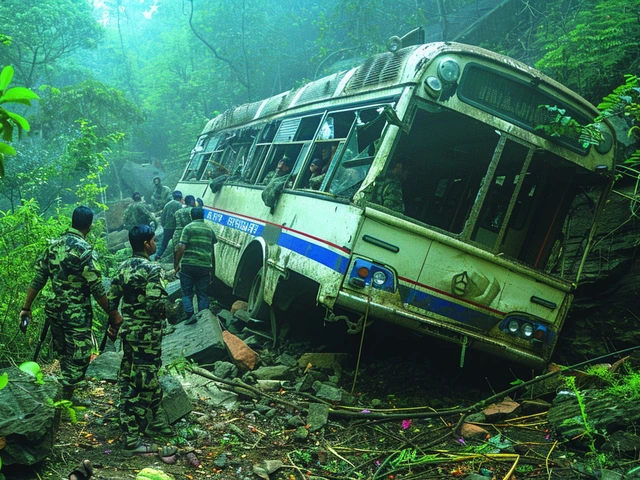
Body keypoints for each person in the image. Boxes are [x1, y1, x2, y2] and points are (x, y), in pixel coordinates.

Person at [19, 206, 122, 402]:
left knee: (65, 353)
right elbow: (97, 288)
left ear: (72, 221)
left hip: (55, 310)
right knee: (81, 356)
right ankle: (62, 398)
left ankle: (66, 397)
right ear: (89, 226)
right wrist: (113, 313)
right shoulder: (84, 250)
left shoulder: (53, 246)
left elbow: (38, 280)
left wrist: (26, 307)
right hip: (77, 314)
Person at [107, 224, 176, 454]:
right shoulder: (153, 269)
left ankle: (156, 420)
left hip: (129, 334)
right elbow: (155, 304)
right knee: (145, 383)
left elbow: (111, 300)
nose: (156, 243)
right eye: (154, 240)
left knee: (132, 377)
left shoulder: (123, 267)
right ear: (147, 244)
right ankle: (132, 437)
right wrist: (170, 311)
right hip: (147, 336)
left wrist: (114, 326)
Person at [174, 207, 217, 324]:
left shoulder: (188, 228)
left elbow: (181, 246)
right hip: (204, 266)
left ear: (191, 216)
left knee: (187, 293)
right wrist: (213, 269)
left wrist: (176, 264)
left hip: (188, 265)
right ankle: (203, 317)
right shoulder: (209, 230)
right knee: (202, 294)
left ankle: (190, 316)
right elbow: (212, 251)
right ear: (203, 216)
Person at [156, 190, 183, 260]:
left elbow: (162, 217)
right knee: (176, 245)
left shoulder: (167, 204)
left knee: (164, 244)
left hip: (167, 228)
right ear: (180, 197)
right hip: (175, 228)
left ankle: (157, 256)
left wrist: (164, 225)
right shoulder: (179, 205)